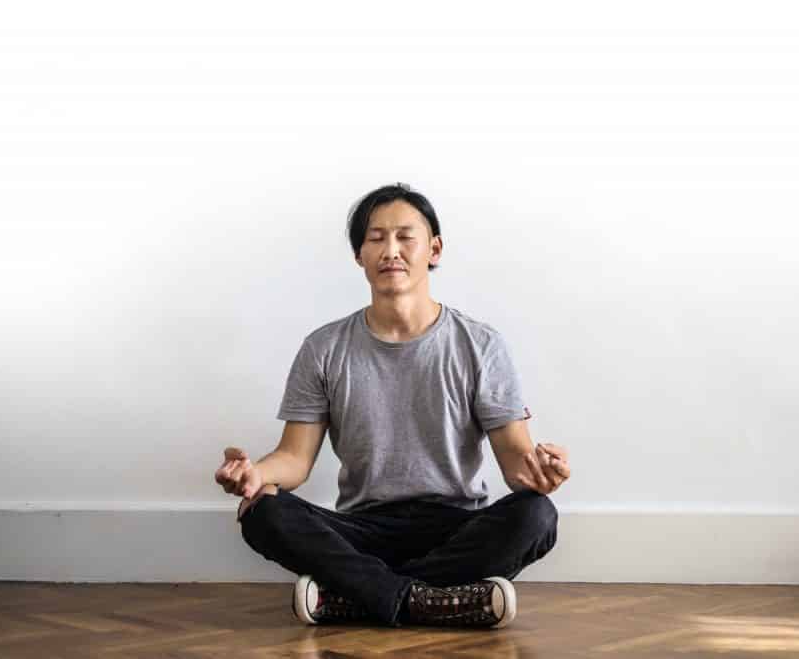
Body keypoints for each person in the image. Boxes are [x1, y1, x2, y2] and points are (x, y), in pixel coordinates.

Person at [214, 182, 570, 629]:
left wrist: (541, 471)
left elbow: (517, 462)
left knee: (536, 514)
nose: (391, 250)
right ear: (359, 255)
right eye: (376, 238)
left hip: (456, 525)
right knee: (262, 510)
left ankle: (360, 596)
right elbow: (294, 458)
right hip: (363, 529)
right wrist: (255, 475)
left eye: (405, 236)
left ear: (434, 250)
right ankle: (438, 599)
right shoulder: (324, 348)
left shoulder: (481, 345)